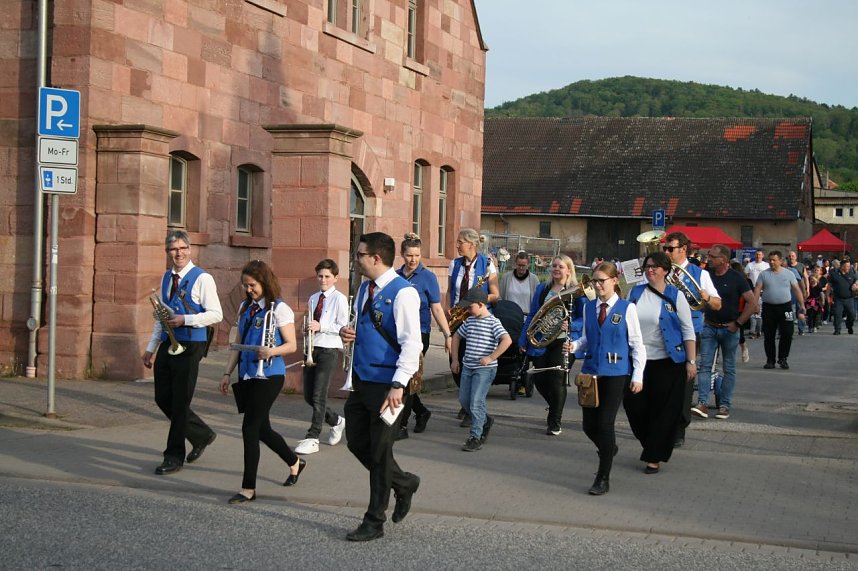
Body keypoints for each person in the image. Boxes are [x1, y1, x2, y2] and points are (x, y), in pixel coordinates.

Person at [339, 232, 422, 542]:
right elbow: (365, 327)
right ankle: (404, 483)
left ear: (375, 258)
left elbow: (412, 344)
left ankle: (374, 520)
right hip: (361, 381)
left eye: (360, 254)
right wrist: (349, 333)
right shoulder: (364, 288)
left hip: (389, 386)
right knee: (357, 443)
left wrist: (399, 385)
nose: (356, 259)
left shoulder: (404, 293)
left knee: (379, 451)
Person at [218, 260, 305, 504]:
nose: (248, 290)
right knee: (262, 429)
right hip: (248, 373)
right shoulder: (246, 307)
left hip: (270, 375)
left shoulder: (279, 309)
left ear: (265, 282)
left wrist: (272, 351)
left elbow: (292, 345)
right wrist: (226, 373)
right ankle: (295, 461)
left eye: (252, 285)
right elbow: (238, 344)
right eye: (245, 285)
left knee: (249, 428)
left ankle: (248, 488)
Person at [142, 230, 222, 476]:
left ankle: (173, 455)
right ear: (168, 252)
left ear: (190, 249)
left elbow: (216, 314)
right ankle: (201, 434)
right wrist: (151, 347)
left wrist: (185, 319)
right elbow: (162, 316)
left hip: (191, 344)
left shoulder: (202, 278)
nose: (178, 253)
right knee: (162, 397)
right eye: (173, 249)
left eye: (182, 248)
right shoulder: (167, 277)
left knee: (179, 402)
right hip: (169, 342)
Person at [567, 262, 646, 495]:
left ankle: (603, 477)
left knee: (605, 423)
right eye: (595, 281)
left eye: (602, 280)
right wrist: (573, 345)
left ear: (614, 281)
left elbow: (637, 345)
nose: (598, 285)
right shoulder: (589, 307)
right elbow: (585, 338)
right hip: (591, 370)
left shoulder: (626, 308)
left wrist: (638, 375)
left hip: (616, 372)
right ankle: (609, 448)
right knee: (588, 425)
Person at [624, 252, 696, 474]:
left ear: (666, 270)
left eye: (655, 267)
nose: (650, 270)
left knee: (662, 410)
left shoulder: (676, 296)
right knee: (633, 407)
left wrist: (691, 361)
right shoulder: (635, 293)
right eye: (647, 266)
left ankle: (654, 455)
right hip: (639, 362)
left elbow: (687, 330)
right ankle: (651, 444)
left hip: (668, 362)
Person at [662, 231, 721, 447]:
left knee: (685, 381)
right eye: (665, 249)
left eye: (670, 249)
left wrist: (706, 297)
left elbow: (717, 303)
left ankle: (679, 428)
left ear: (683, 249)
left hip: (689, 333)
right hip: (661, 330)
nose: (666, 252)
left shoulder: (700, 274)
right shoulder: (659, 270)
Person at [396, 233, 452, 439]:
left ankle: (401, 426)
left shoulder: (428, 277)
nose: (413, 259)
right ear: (402, 255)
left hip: (420, 334)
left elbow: (436, 308)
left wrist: (447, 334)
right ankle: (421, 411)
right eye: (409, 255)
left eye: (417, 255)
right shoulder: (396, 276)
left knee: (410, 378)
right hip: (398, 333)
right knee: (401, 378)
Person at [519, 255, 583, 435]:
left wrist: (571, 324)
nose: (556, 269)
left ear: (568, 270)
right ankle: (555, 406)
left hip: (565, 341)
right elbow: (533, 315)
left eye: (560, 266)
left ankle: (555, 420)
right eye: (554, 266)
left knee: (557, 380)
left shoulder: (576, 291)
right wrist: (523, 339)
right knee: (539, 379)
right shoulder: (542, 288)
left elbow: (584, 318)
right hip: (542, 339)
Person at [691, 245, 756, 420]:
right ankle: (702, 403)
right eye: (708, 255)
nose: (708, 259)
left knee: (729, 368)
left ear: (724, 260)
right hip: (709, 326)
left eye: (712, 256)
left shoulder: (737, 278)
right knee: (704, 366)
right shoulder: (707, 275)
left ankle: (724, 405)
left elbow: (752, 302)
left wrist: (738, 323)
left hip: (729, 328)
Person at [295, 259, 349, 455]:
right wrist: (307, 329)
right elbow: (311, 320)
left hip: (328, 350)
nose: (323, 280)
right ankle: (336, 421)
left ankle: (313, 436)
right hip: (312, 347)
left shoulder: (339, 299)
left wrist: (321, 326)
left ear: (335, 278)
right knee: (309, 396)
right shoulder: (313, 298)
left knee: (319, 395)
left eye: (327, 276)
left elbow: (343, 326)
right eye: (320, 276)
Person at [448, 227, 500, 423]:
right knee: (455, 362)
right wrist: (449, 312)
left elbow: (496, 295)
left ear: (471, 244)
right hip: (457, 317)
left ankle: (471, 408)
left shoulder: (487, 264)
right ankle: (466, 402)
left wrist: (476, 300)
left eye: (460, 241)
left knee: (474, 363)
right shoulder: (455, 264)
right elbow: (450, 291)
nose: (457, 245)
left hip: (477, 318)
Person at [450, 288, 512, 451]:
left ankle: (475, 436)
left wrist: (491, 357)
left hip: (484, 369)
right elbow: (456, 336)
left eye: (469, 307)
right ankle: (485, 420)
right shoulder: (469, 321)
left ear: (480, 304)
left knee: (476, 402)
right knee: (465, 400)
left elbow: (507, 340)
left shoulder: (493, 322)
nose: (467, 310)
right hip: (468, 367)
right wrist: (455, 359)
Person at [753, 251, 805, 369]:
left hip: (785, 307)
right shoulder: (764, 274)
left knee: (787, 332)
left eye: (774, 260)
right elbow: (757, 289)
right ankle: (770, 360)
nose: (771, 262)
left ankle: (783, 358)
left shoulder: (789, 274)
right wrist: (755, 304)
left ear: (780, 261)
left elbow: (796, 289)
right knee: (769, 334)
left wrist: (802, 304)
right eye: (770, 260)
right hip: (768, 307)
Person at [499, 251, 540, 315]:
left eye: (523, 265)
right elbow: (500, 297)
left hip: (526, 317)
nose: (521, 268)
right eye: (519, 265)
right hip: (509, 315)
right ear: (515, 264)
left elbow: (538, 301)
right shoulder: (506, 278)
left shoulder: (534, 279)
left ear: (528, 265)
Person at [826, 258, 858, 335]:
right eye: (847, 266)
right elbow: (829, 286)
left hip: (849, 298)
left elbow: (857, 280)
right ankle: (837, 329)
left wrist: (855, 285)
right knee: (837, 314)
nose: (849, 268)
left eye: (849, 266)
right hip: (838, 298)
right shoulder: (834, 274)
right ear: (842, 266)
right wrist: (827, 296)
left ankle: (849, 326)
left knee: (852, 315)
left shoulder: (852, 272)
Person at [786, 251, 810, 335]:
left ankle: (801, 329)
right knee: (791, 310)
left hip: (800, 290)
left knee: (801, 309)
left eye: (793, 256)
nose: (791, 257)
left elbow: (806, 278)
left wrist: (807, 290)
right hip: (789, 291)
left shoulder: (801, 266)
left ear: (795, 257)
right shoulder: (786, 267)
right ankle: (790, 329)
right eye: (790, 256)